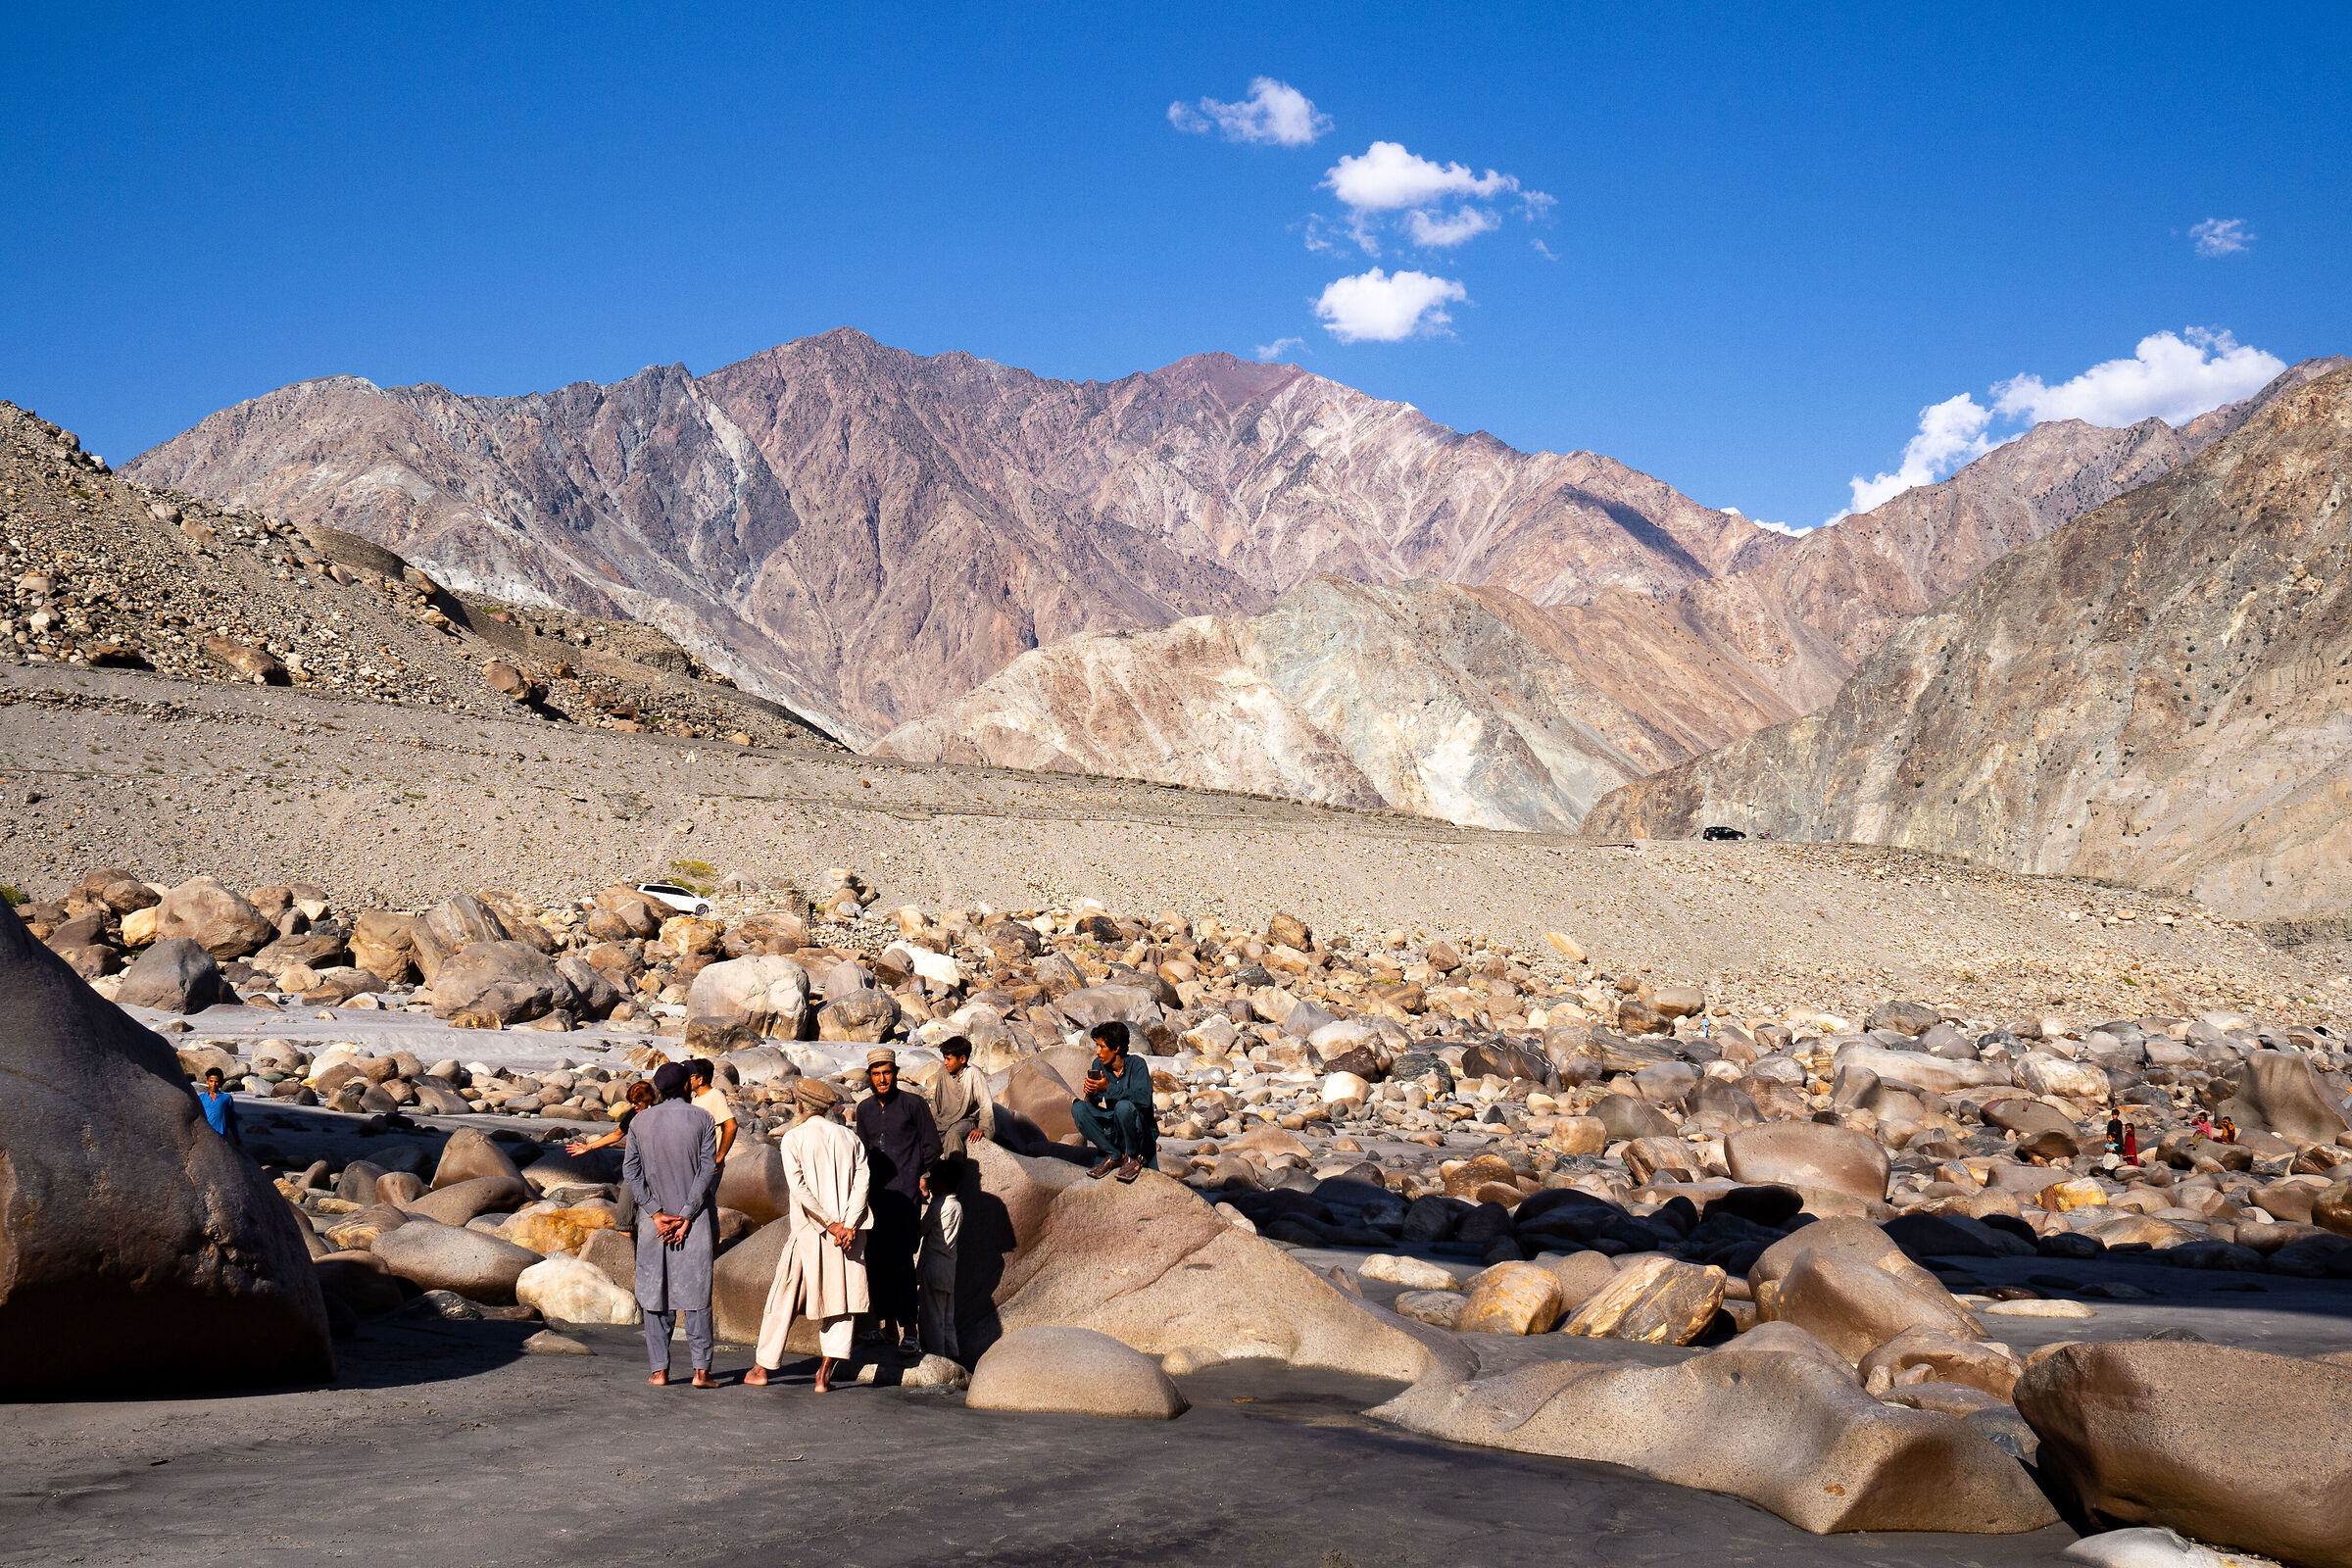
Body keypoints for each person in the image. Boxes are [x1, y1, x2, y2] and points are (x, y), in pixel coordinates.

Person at [749, 1079, 870, 1394]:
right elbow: (863, 1185)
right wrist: (848, 1225)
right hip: (848, 1235)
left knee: (784, 1295)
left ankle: (762, 1368)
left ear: (800, 1106)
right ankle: (824, 1374)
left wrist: (831, 1225)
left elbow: (800, 1189)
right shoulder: (850, 1138)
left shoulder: (794, 1138)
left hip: (810, 1233)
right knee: (841, 1300)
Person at [623, 1062, 719, 1389]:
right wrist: (687, 1214)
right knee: (696, 1294)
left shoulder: (639, 1121)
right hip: (694, 1220)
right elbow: (707, 1171)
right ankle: (701, 1372)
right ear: (687, 1086)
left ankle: (659, 1371)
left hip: (655, 1223)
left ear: (659, 1090)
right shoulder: (703, 1119)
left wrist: (654, 1212)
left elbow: (631, 1172)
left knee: (655, 1294)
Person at [851, 1047, 940, 1354]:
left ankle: (910, 1331)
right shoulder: (864, 1110)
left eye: (887, 1072)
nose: (882, 1079)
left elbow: (932, 1145)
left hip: (905, 1197)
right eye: (876, 1074)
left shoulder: (913, 1105)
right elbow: (862, 1151)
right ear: (870, 1077)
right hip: (874, 1197)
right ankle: (888, 1329)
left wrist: (922, 1175)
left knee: (901, 1263)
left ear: (896, 1073)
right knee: (875, 1262)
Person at [1071, 1020, 1155, 1182]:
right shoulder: (1098, 1064)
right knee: (1079, 1108)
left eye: (1101, 1046)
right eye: (1097, 1046)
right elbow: (1093, 1103)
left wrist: (1109, 1087)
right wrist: (1090, 1093)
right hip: (1115, 1125)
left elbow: (1145, 1099)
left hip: (1139, 1129)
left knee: (1123, 1107)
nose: (1097, 1051)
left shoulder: (1136, 1064)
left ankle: (1132, 1156)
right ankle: (1113, 1154)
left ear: (1116, 1048)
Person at [917, 1155, 962, 1363]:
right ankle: (953, 1355)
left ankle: (938, 1359)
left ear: (942, 1183)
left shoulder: (938, 1205)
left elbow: (921, 1230)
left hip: (933, 1267)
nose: (931, 1185)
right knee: (947, 1317)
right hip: (949, 1268)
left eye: (933, 1181)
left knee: (932, 1317)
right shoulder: (958, 1206)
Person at [925, 1034, 995, 1167]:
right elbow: (936, 1103)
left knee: (954, 1135)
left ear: (962, 1059)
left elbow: (986, 1104)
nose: (945, 1062)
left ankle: (954, 1174)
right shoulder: (943, 1072)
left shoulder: (974, 1074)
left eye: (948, 1059)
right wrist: (929, 1124)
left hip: (966, 1120)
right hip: (943, 1121)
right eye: (944, 1058)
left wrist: (983, 1128)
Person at [566, 1081, 658, 1157]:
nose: (632, 1106)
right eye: (631, 1102)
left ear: (648, 1100)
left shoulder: (659, 1113)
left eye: (636, 1103)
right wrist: (588, 1147)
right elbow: (616, 1135)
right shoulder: (633, 1113)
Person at [687, 1059, 738, 1169]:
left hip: (709, 1165)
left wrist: (720, 1155)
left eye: (689, 1077)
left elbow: (731, 1126)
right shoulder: (695, 1097)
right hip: (698, 1164)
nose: (686, 1079)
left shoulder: (715, 1096)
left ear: (700, 1079)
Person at [195, 1067, 242, 1149]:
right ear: (207, 1081)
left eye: (216, 1082)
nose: (213, 1084)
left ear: (221, 1082)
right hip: (205, 1135)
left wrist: (236, 1136)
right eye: (211, 1081)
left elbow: (232, 1119)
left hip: (222, 1136)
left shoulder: (226, 1098)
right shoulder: (201, 1098)